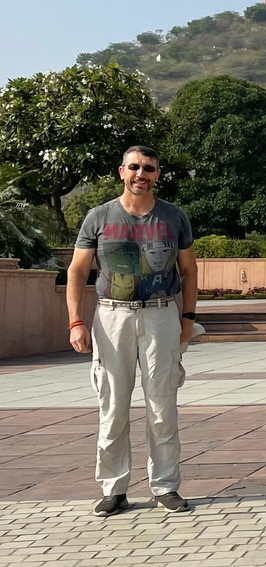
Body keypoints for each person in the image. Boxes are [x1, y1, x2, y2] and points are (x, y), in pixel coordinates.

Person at [66, 145, 198, 517]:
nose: (141, 174)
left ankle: (166, 486)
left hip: (160, 316)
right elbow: (77, 271)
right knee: (112, 406)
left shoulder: (174, 217)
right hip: (112, 317)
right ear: (122, 171)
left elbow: (188, 270)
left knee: (162, 406)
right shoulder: (99, 217)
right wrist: (76, 321)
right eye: (135, 167)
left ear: (158, 174)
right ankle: (114, 488)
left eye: (149, 169)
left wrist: (186, 319)